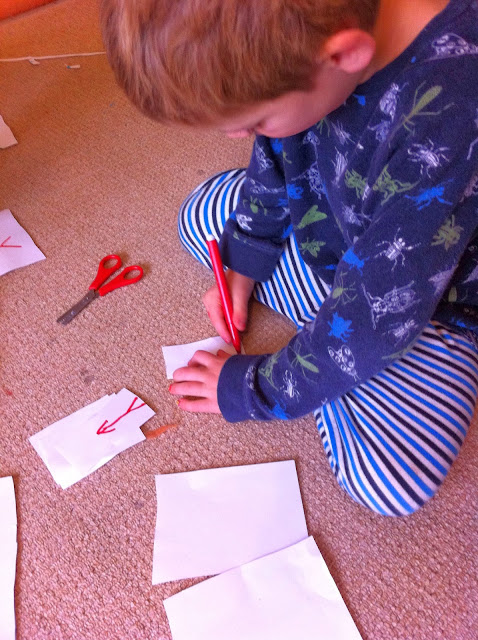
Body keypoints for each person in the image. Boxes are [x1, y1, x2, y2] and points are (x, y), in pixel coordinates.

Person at [101, 0, 478, 516]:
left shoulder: (451, 110)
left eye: (254, 120)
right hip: (347, 234)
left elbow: (379, 313)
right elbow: (276, 161)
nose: (237, 136)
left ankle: (335, 354)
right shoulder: (305, 51)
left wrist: (256, 388)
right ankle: (330, 339)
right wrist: (242, 263)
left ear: (343, 54)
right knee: (202, 215)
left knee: (389, 482)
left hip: (430, 299)